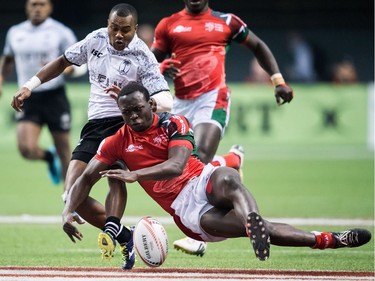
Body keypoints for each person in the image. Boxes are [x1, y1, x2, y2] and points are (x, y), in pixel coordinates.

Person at [62, 82, 371, 268]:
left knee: (228, 179)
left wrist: (136, 175)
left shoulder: (174, 123)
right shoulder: (116, 141)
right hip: (188, 211)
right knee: (264, 228)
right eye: (126, 112)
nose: (133, 117)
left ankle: (252, 220)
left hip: (200, 179)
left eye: (138, 110)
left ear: (150, 104)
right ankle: (326, 240)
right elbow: (87, 178)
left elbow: (177, 166)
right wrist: (67, 210)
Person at [11, 3, 173, 270]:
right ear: (108, 24)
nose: (118, 35)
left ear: (134, 29)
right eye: (114, 28)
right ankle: (124, 235)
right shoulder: (95, 39)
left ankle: (113, 229)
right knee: (71, 194)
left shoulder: (143, 55)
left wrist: (138, 99)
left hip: (125, 123)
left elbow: (165, 98)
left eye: (125, 30)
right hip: (96, 123)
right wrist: (30, 85)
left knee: (114, 176)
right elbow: (63, 61)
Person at [150, 0, 294, 256]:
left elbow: (258, 45)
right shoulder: (168, 25)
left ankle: (199, 236)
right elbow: (150, 65)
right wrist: (160, 68)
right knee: (184, 165)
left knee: (201, 154)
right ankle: (231, 159)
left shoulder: (227, 22)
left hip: (212, 97)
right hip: (179, 101)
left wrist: (278, 80)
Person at [0, 0, 86, 185]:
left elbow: (80, 62)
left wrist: (69, 70)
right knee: (26, 149)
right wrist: (1, 79)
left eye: (42, 4)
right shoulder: (15, 32)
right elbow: (7, 59)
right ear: (26, 7)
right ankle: (48, 157)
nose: (37, 8)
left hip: (54, 96)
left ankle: (69, 199)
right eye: (33, 4)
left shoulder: (61, 32)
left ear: (50, 7)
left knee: (64, 151)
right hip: (28, 96)